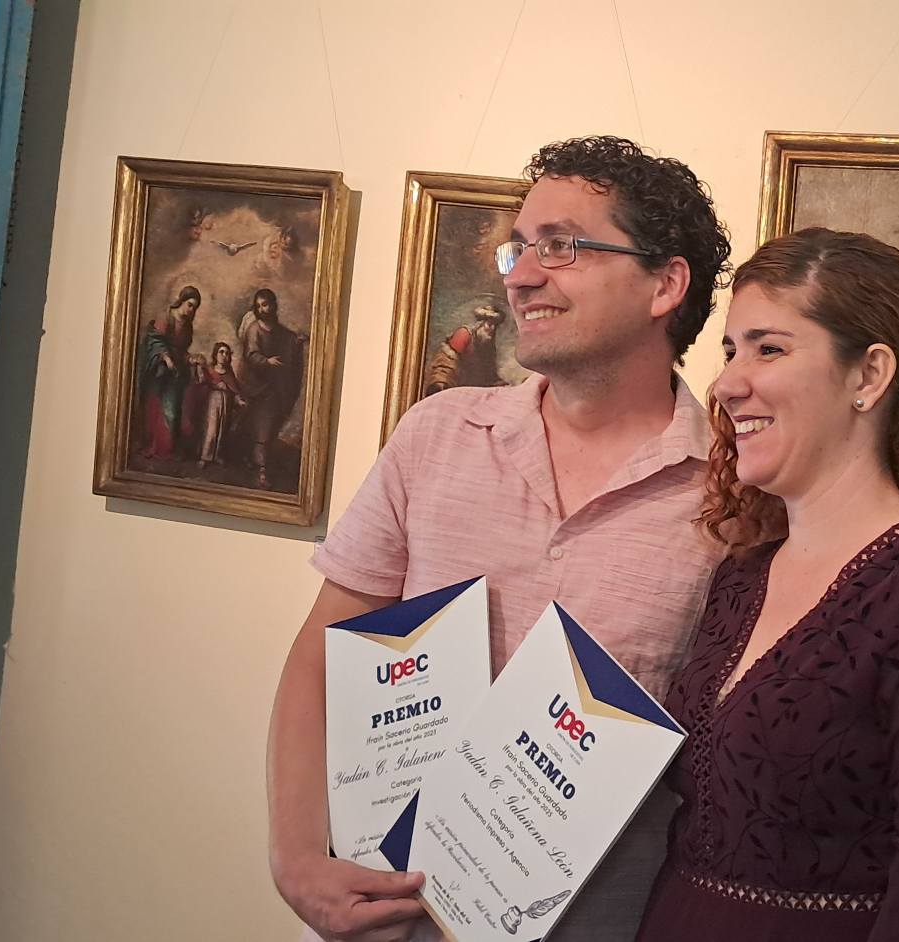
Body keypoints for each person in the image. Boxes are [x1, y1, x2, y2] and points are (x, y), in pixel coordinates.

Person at [266, 135, 733, 942]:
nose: (519, 275)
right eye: (519, 248)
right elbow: (323, 653)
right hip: (380, 920)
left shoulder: (735, 494)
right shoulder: (437, 434)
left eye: (561, 246)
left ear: (665, 283)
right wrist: (298, 858)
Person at [636, 229, 899, 942]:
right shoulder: (743, 574)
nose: (727, 383)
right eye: (731, 351)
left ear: (869, 375)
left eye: (768, 349)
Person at [234, 287, 307, 489]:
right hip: (259, 388)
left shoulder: (277, 329)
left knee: (271, 428)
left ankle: (258, 463)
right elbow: (251, 355)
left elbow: (287, 339)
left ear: (273, 305)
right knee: (262, 430)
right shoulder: (254, 330)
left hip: (276, 389)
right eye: (258, 306)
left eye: (265, 305)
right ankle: (261, 471)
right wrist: (266, 361)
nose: (262, 309)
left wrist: (297, 342)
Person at [136, 285, 199, 460]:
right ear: (182, 301)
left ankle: (167, 448)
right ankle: (155, 446)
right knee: (158, 408)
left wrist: (190, 359)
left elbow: (182, 350)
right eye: (190, 305)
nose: (192, 310)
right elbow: (155, 340)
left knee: (174, 410)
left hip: (176, 372)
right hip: (159, 370)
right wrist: (166, 358)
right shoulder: (166, 316)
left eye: (195, 307)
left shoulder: (187, 326)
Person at [423, 295, 513, 394]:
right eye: (490, 324)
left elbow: (489, 375)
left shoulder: (487, 346)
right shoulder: (463, 335)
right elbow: (446, 363)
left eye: (495, 326)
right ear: (480, 323)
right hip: (454, 387)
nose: (492, 329)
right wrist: (441, 383)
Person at [192, 341, 244, 467]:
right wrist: (199, 367)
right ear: (215, 354)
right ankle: (205, 456)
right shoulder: (209, 369)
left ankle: (217, 455)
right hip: (212, 401)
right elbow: (201, 381)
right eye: (221, 352)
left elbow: (234, 389)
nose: (224, 355)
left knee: (222, 429)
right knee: (211, 429)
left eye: (227, 353)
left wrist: (239, 400)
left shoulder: (229, 372)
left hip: (226, 402)